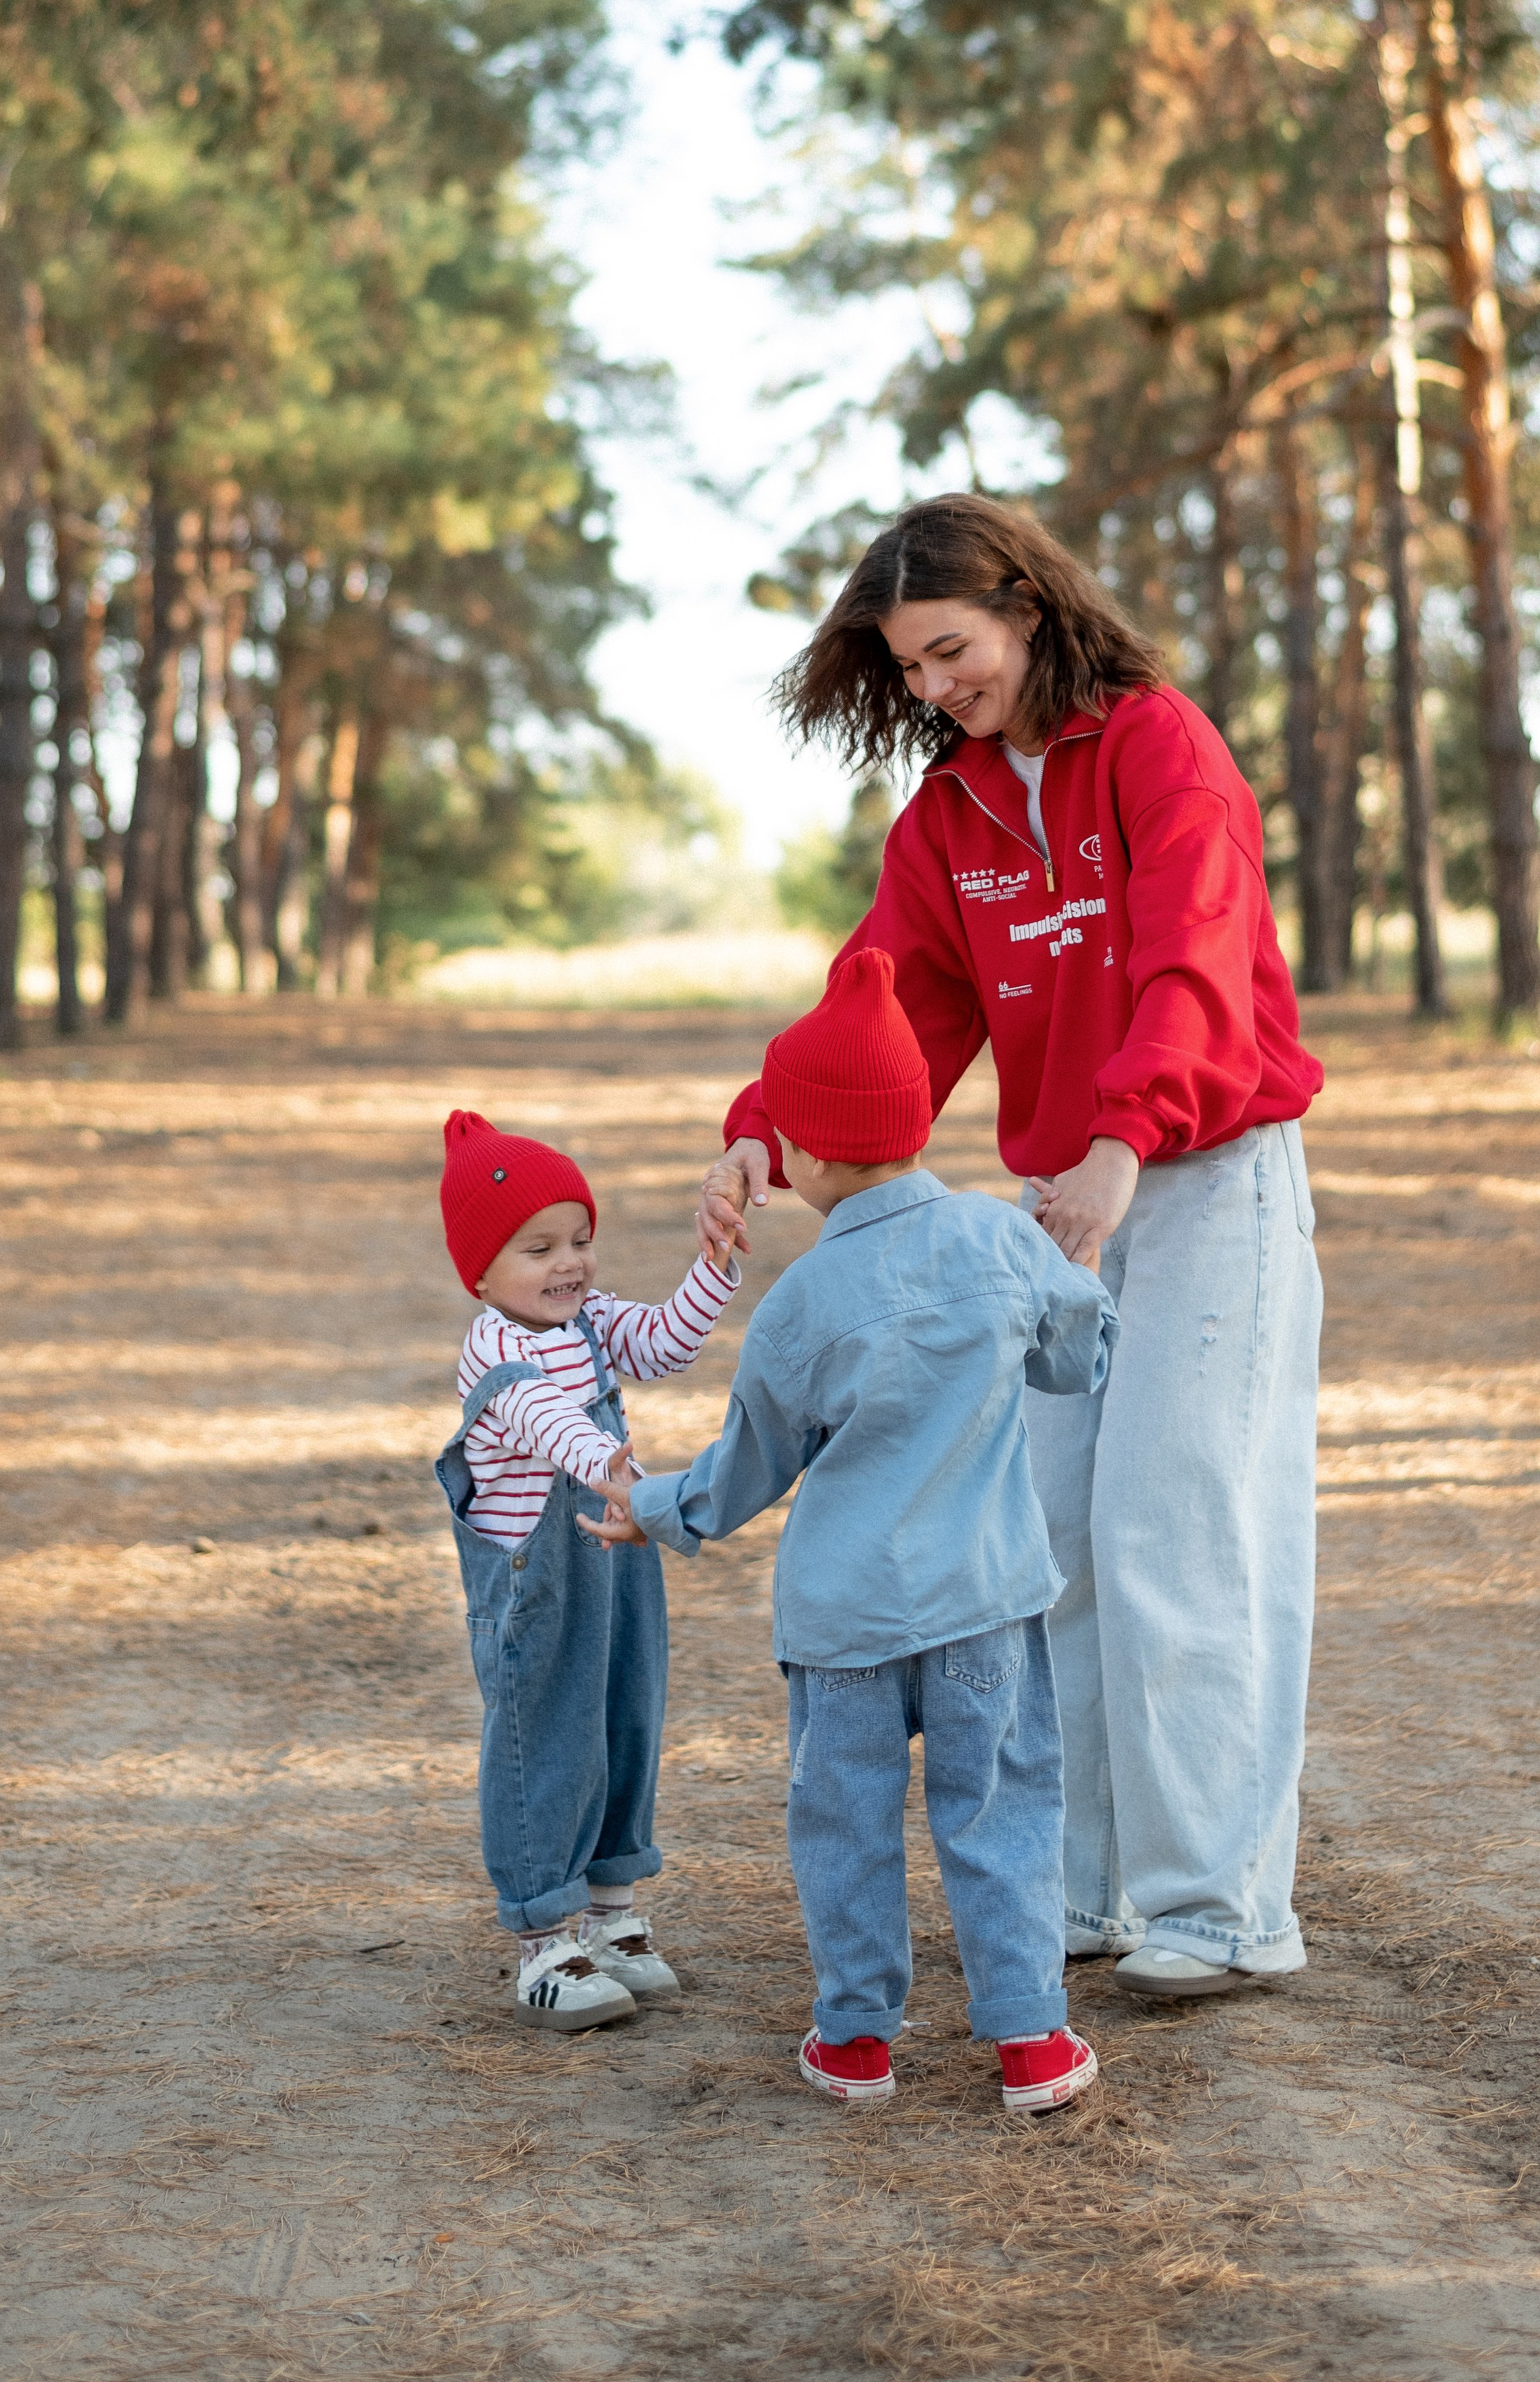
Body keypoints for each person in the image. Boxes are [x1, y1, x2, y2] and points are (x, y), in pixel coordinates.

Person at [697, 493, 1324, 1999]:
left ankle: (1219, 1905)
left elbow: (1199, 963)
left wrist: (1120, 1140)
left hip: (1199, 1175)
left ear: (1029, 608)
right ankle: (1091, 1885)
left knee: (1179, 1529)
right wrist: (762, 1128)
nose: (930, 688)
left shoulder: (1161, 744)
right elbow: (888, 999)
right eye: (907, 669)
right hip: (1058, 1203)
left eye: (948, 650)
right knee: (1044, 1550)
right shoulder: (953, 814)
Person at [582, 949, 1118, 2113]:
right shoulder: (997, 1240)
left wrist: (655, 1508)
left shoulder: (800, 1308)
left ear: (812, 1156)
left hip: (846, 1623)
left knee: (846, 1828)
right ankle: (1030, 2042)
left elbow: (745, 1475)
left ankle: (857, 2042)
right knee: (1005, 1813)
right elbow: (1079, 1360)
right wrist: (1068, 1269)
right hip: (986, 1598)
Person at [434, 1112, 738, 2033]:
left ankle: (613, 1913)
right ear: (482, 1273)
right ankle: (544, 1939)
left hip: (612, 1562)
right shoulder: (497, 1348)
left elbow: (665, 1344)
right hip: (538, 1585)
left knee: (624, 1721)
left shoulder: (590, 1320)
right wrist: (623, 1478)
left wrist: (713, 1269)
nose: (569, 1263)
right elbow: (549, 1425)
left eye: (579, 1240)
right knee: (547, 1742)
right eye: (539, 1248)